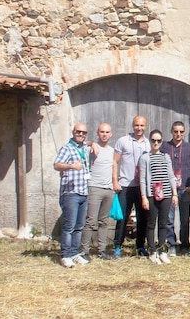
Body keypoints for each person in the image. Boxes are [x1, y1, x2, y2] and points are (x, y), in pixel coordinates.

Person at [112, 115, 151, 258]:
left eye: (142, 125)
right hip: (125, 185)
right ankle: (117, 246)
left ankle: (140, 246)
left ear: (145, 126)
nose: (139, 128)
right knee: (122, 218)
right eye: (136, 125)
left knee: (143, 218)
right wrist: (115, 181)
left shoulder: (148, 143)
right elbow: (115, 162)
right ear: (132, 126)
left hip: (142, 187)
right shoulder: (123, 141)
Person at [53, 123, 91, 268]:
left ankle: (75, 253)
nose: (81, 134)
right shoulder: (67, 148)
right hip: (70, 193)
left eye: (84, 132)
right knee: (69, 226)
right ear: (73, 132)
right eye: (78, 132)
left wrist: (93, 144)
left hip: (83, 192)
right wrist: (70, 166)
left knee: (79, 226)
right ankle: (66, 255)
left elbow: (88, 143)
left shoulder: (84, 148)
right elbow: (56, 165)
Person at [163, 120, 190, 255]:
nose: (178, 134)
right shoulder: (165, 147)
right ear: (172, 132)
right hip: (169, 188)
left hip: (184, 189)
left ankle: (184, 245)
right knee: (169, 218)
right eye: (175, 131)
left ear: (184, 133)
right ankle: (171, 244)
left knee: (185, 219)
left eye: (181, 132)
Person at [141, 129, 178, 265]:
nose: (156, 143)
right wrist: (144, 196)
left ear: (161, 142)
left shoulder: (165, 157)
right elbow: (143, 179)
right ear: (150, 141)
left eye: (158, 141)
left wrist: (174, 193)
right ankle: (152, 250)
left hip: (166, 194)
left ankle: (162, 250)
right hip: (152, 194)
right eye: (153, 140)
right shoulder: (145, 157)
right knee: (151, 223)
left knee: (164, 223)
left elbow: (171, 175)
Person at [81, 122, 116, 259]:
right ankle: (84, 251)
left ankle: (102, 250)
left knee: (103, 221)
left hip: (108, 189)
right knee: (90, 221)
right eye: (102, 132)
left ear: (111, 134)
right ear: (97, 133)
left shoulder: (112, 151)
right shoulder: (91, 148)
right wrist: (91, 143)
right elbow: (81, 143)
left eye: (107, 132)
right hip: (94, 187)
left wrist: (114, 185)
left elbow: (114, 166)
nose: (104, 134)